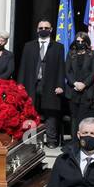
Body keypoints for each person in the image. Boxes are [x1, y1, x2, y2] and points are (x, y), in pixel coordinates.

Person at [18, 19, 66, 147]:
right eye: (40, 28)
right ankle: (30, 140)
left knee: (51, 113)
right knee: (30, 111)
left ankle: (51, 140)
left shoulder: (58, 47)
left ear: (51, 30)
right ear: (37, 30)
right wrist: (20, 86)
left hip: (50, 84)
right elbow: (23, 67)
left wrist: (61, 85)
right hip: (31, 84)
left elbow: (61, 67)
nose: (43, 30)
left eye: (46, 27)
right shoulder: (29, 46)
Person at [64, 32, 94, 130]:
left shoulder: (92, 54)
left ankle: (84, 141)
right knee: (74, 117)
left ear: (86, 42)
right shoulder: (71, 53)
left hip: (87, 90)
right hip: (73, 90)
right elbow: (67, 71)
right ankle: (74, 141)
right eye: (78, 41)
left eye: (83, 41)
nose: (80, 43)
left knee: (84, 117)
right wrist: (75, 83)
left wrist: (84, 84)